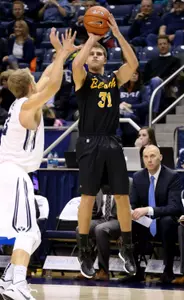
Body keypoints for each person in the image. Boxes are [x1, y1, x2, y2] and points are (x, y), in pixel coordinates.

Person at [0, 28, 80, 300]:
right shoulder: (27, 106)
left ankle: (9, 278)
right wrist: (64, 55)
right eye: (35, 81)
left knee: (31, 232)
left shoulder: (20, 103)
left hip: (9, 174)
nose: (39, 82)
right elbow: (54, 85)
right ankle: (16, 285)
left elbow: (47, 77)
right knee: (26, 231)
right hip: (14, 174)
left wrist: (61, 54)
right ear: (31, 86)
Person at [72, 14, 138, 278]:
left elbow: (132, 63)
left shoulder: (113, 79)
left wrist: (118, 34)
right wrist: (92, 39)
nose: (97, 55)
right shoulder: (83, 80)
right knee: (88, 197)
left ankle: (127, 247)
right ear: (89, 58)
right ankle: (84, 249)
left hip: (111, 141)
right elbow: (77, 64)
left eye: (100, 53)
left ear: (105, 59)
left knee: (122, 196)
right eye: (93, 54)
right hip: (89, 141)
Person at [131, 145, 184, 283]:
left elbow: (174, 207)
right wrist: (131, 212)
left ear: (160, 157)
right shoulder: (137, 177)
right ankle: (135, 270)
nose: (149, 160)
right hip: (146, 222)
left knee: (167, 222)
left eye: (153, 156)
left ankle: (168, 271)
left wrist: (149, 210)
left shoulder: (172, 176)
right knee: (129, 222)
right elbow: (133, 203)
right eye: (146, 157)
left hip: (165, 221)